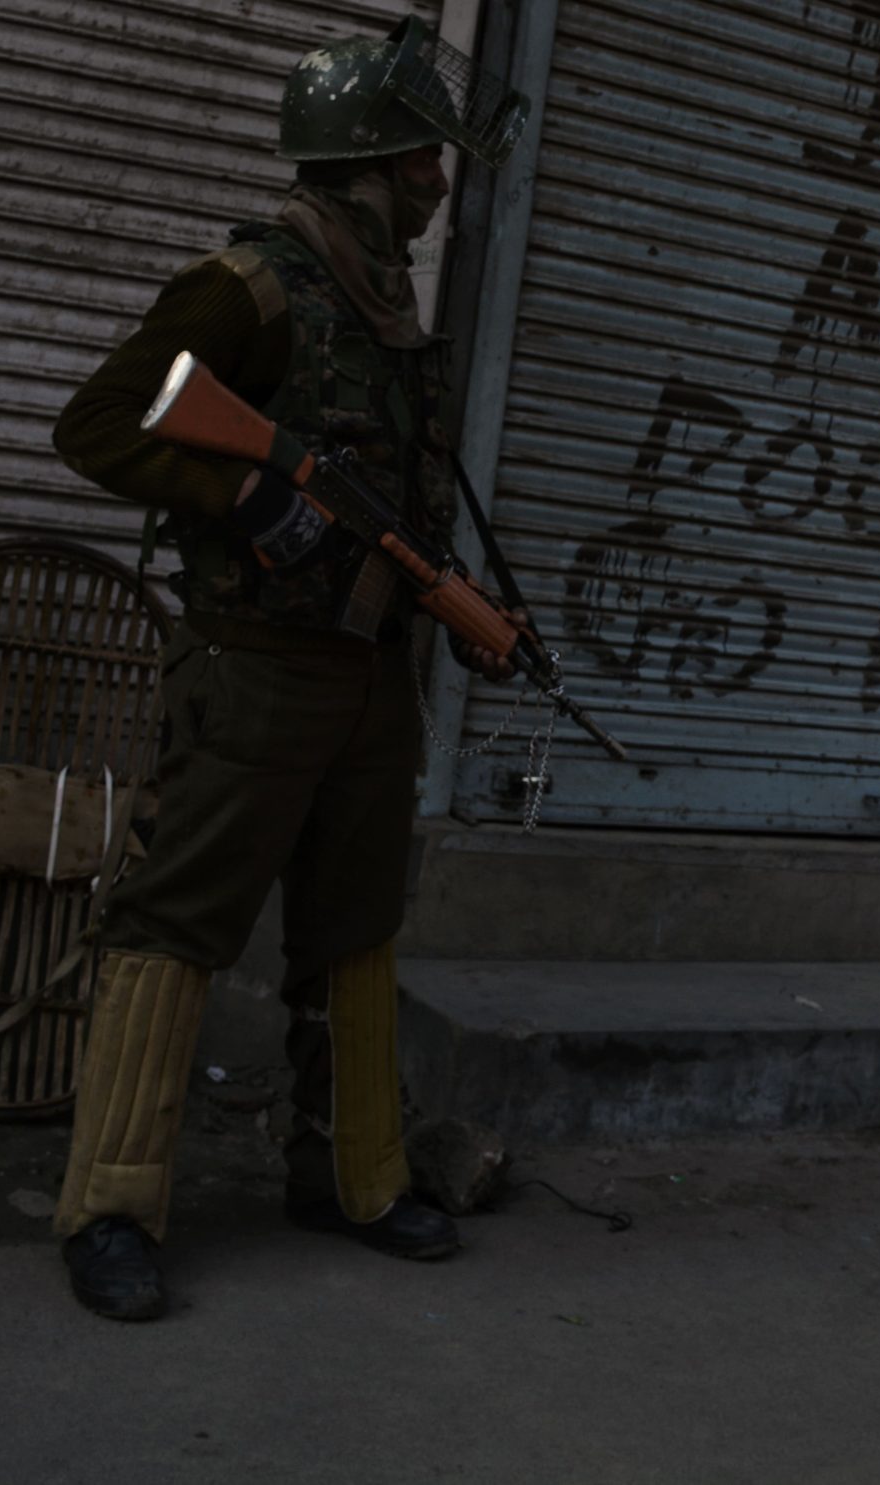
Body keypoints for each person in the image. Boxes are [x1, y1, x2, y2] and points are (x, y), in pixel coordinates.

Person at [46, 20, 526, 1321]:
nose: (439, 177)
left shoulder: (384, 296)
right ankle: (108, 1207)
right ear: (368, 157)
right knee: (176, 923)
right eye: (424, 152)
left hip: (372, 675)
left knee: (355, 930)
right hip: (254, 669)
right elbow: (95, 426)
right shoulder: (248, 289)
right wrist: (248, 500)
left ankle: (351, 1176)